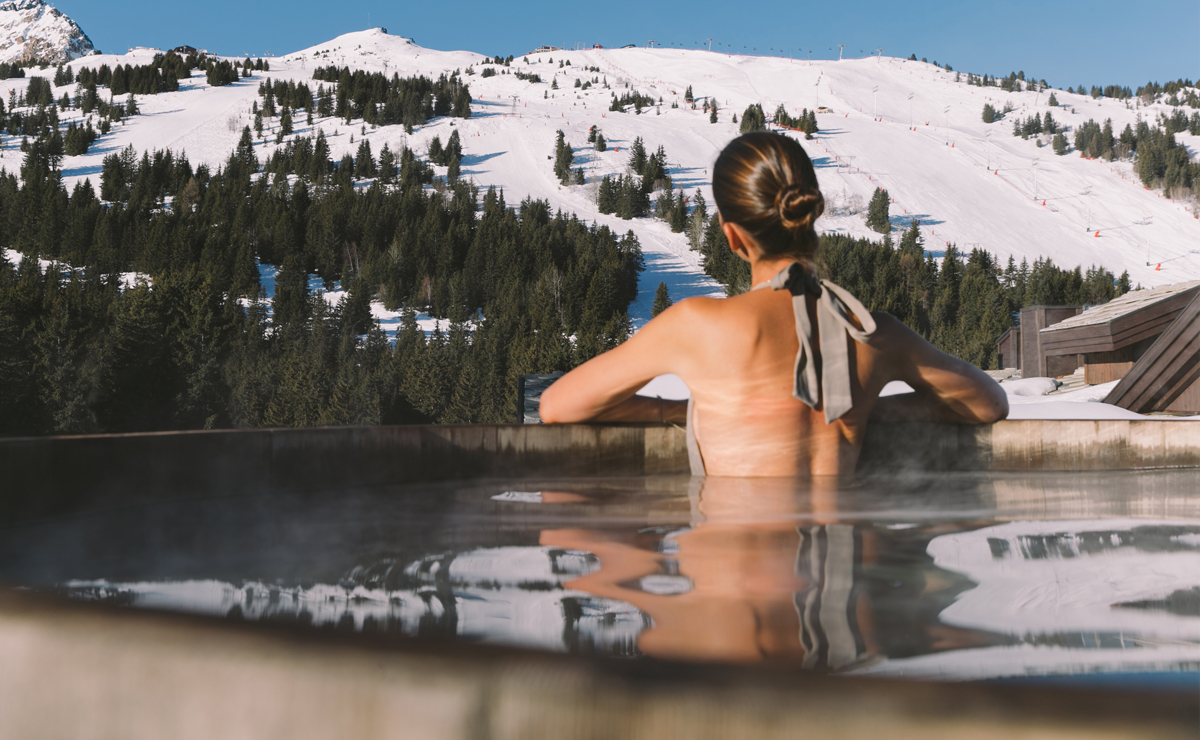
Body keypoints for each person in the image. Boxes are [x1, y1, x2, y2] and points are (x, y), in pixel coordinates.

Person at [539, 132, 1007, 476]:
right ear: (808, 217)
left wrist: (681, 411)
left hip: (740, 600)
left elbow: (557, 406)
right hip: (848, 598)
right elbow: (989, 404)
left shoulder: (697, 326)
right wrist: (863, 410)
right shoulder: (874, 331)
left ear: (731, 235)